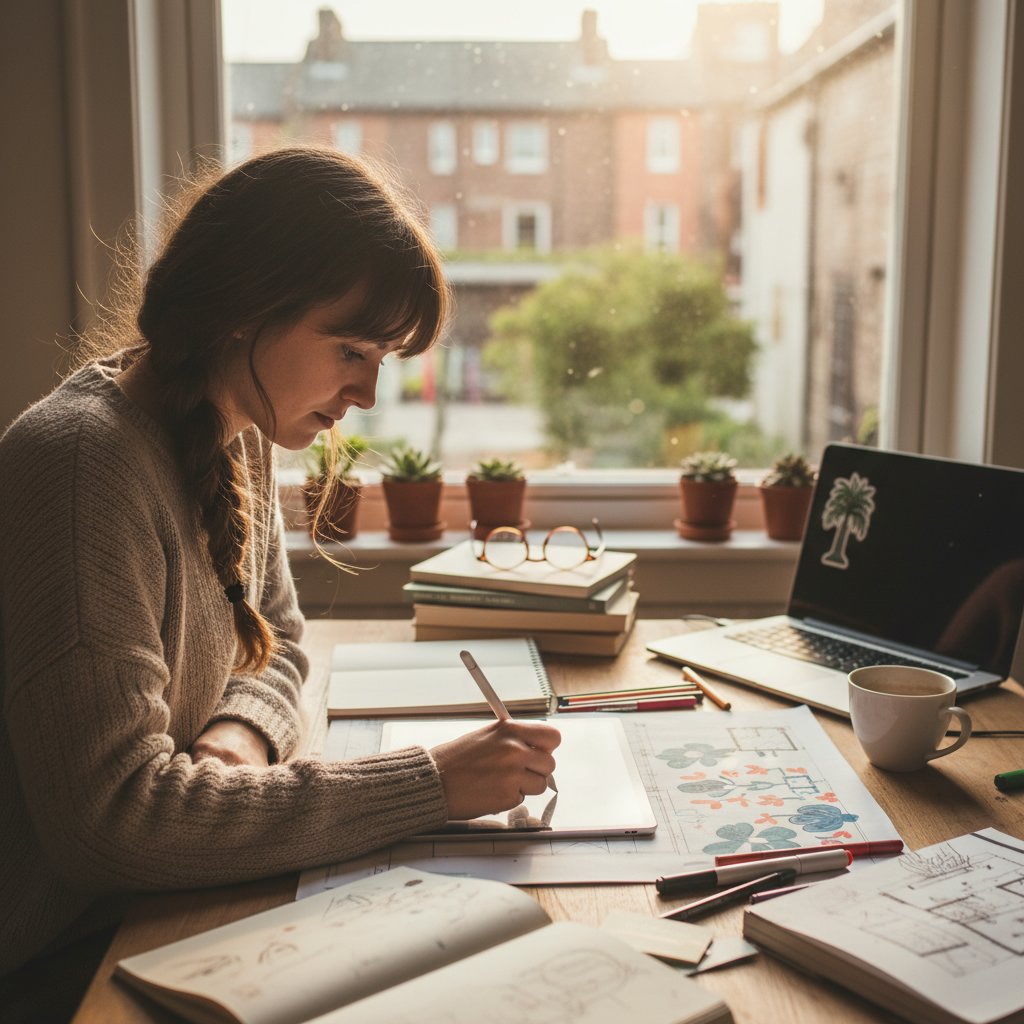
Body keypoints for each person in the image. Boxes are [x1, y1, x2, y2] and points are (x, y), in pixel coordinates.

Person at [0, 147, 560, 1014]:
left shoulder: (239, 425)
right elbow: (109, 826)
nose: (369, 393)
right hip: (56, 958)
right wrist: (430, 785)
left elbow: (277, 642)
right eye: (351, 349)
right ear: (242, 310)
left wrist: (238, 741)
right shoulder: (82, 467)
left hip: (162, 905)